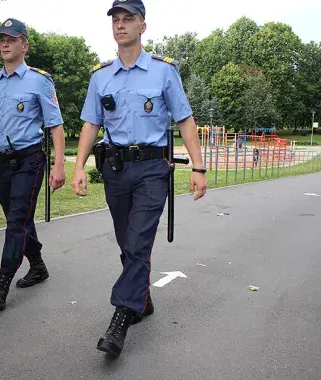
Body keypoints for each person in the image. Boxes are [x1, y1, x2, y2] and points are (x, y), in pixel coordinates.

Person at [71, 0, 208, 357]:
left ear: (142, 26)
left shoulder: (164, 71)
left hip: (151, 169)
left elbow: (185, 120)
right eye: (115, 20)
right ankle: (143, 299)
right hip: (115, 170)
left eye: (127, 19)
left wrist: (198, 166)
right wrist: (77, 167)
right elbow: (91, 124)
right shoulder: (100, 76)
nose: (120, 25)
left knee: (139, 240)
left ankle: (121, 316)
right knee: (126, 241)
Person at [0, 18, 66, 311]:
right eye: (1, 39)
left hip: (29, 160)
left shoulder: (39, 80)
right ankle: (38, 265)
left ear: (24, 44)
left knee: (16, 220)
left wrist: (59, 165)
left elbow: (55, 125)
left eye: (11, 38)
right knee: (18, 219)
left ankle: (1, 285)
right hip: (2, 162)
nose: (4, 44)